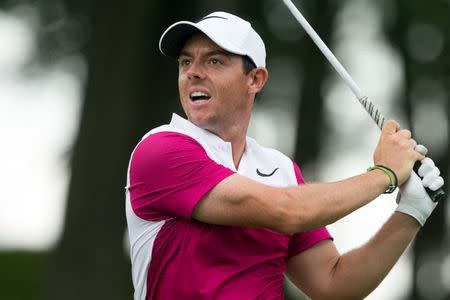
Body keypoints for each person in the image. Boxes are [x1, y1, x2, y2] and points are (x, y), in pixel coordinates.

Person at [125, 11, 444, 300]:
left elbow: (333, 284)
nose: (193, 72)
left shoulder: (279, 170)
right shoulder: (161, 150)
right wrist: (384, 174)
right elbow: (286, 211)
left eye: (214, 61)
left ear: (255, 79)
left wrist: (411, 212)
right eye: (185, 62)